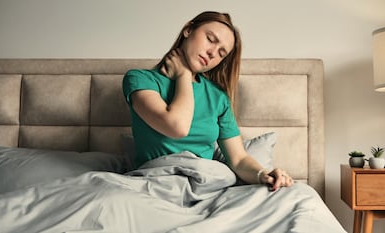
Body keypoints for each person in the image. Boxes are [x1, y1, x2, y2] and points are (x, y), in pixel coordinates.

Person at [123, 11, 293, 191]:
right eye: (210, 39)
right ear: (188, 30)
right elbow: (177, 126)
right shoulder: (141, 79)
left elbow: (238, 159)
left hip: (206, 185)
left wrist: (263, 174)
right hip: (155, 182)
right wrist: (184, 75)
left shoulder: (218, 97)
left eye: (221, 53)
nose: (212, 53)